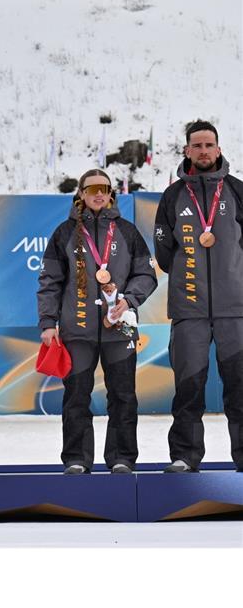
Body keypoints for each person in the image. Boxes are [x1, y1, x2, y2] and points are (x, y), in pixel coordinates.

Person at [36, 168, 157, 474]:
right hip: (77, 331)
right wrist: (48, 322)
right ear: (81, 195)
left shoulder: (127, 232)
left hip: (122, 327)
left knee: (124, 397)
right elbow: (50, 281)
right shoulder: (64, 233)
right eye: (91, 190)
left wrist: (129, 300)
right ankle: (77, 459)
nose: (98, 194)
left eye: (103, 188)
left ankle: (122, 459)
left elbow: (146, 274)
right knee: (76, 396)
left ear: (111, 193)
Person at [153, 120, 243, 473]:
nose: (203, 151)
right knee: (188, 388)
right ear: (187, 151)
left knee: (240, 387)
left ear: (218, 149)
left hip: (235, 310)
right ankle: (186, 457)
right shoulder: (173, 196)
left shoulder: (236, 191)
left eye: (209, 145)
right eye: (197, 146)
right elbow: (163, 253)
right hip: (189, 310)